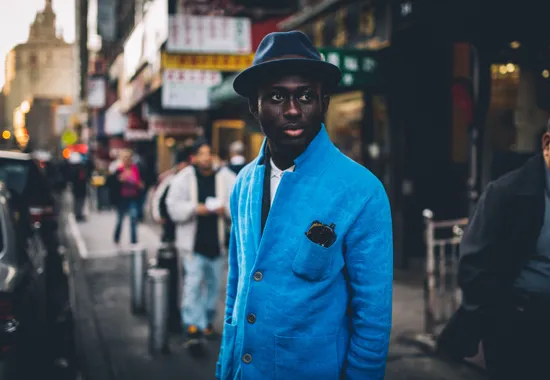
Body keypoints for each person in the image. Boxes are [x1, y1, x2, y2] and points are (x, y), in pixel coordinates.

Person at [215, 31, 393, 380]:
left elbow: (372, 318)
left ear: (324, 102)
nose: (293, 110)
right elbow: (237, 287)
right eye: (277, 96)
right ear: (255, 105)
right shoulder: (244, 183)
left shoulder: (362, 191)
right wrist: (225, 367)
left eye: (306, 96)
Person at [449, 106, 550, 380]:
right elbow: (474, 268)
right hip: (521, 336)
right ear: (547, 143)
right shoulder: (509, 193)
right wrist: (496, 323)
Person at [166, 140, 236, 350]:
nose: (206, 158)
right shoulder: (183, 178)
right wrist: (195, 209)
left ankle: (206, 321)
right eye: (201, 154)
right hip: (192, 244)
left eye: (209, 153)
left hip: (218, 243)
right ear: (194, 158)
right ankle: (192, 324)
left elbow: (239, 203)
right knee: (193, 284)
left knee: (215, 285)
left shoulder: (226, 177)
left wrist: (224, 210)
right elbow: (173, 207)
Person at [151, 146, 193, 243]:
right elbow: (158, 196)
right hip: (169, 219)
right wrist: (158, 215)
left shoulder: (191, 179)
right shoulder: (170, 178)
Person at [112, 149, 143, 246]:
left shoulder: (135, 169)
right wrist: (119, 180)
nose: (126, 160)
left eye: (128, 158)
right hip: (122, 198)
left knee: (133, 218)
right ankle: (116, 238)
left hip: (133, 197)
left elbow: (140, 183)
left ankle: (133, 240)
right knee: (120, 220)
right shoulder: (118, 171)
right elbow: (112, 185)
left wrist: (138, 184)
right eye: (124, 158)